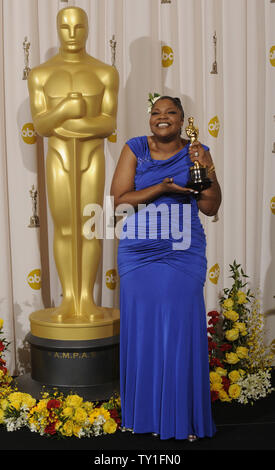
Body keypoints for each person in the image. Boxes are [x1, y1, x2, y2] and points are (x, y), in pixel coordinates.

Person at [110, 95, 221, 441]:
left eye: (171, 112)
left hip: (182, 250)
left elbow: (210, 205)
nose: (162, 117)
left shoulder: (197, 151)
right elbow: (119, 200)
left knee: (177, 329)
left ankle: (181, 417)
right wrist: (162, 187)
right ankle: (142, 415)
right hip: (138, 251)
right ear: (149, 119)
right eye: (156, 112)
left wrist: (205, 169)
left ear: (182, 120)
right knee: (142, 331)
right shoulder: (135, 148)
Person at [28, 7, 119, 322]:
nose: (71, 33)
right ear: (56, 29)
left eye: (78, 26)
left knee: (89, 228)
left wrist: (68, 127)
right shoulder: (41, 74)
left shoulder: (104, 72)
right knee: (65, 228)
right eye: (65, 27)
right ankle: (69, 298)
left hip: (91, 158)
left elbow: (108, 124)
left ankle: (88, 299)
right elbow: (40, 125)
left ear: (88, 28)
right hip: (60, 158)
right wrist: (67, 108)